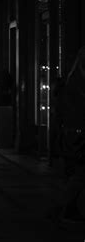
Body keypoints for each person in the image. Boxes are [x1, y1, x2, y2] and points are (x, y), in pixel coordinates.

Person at [56, 46, 85, 223]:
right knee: (79, 174)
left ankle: (68, 207)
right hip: (76, 136)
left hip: (74, 135)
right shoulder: (75, 85)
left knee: (78, 174)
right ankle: (66, 207)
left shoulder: (73, 82)